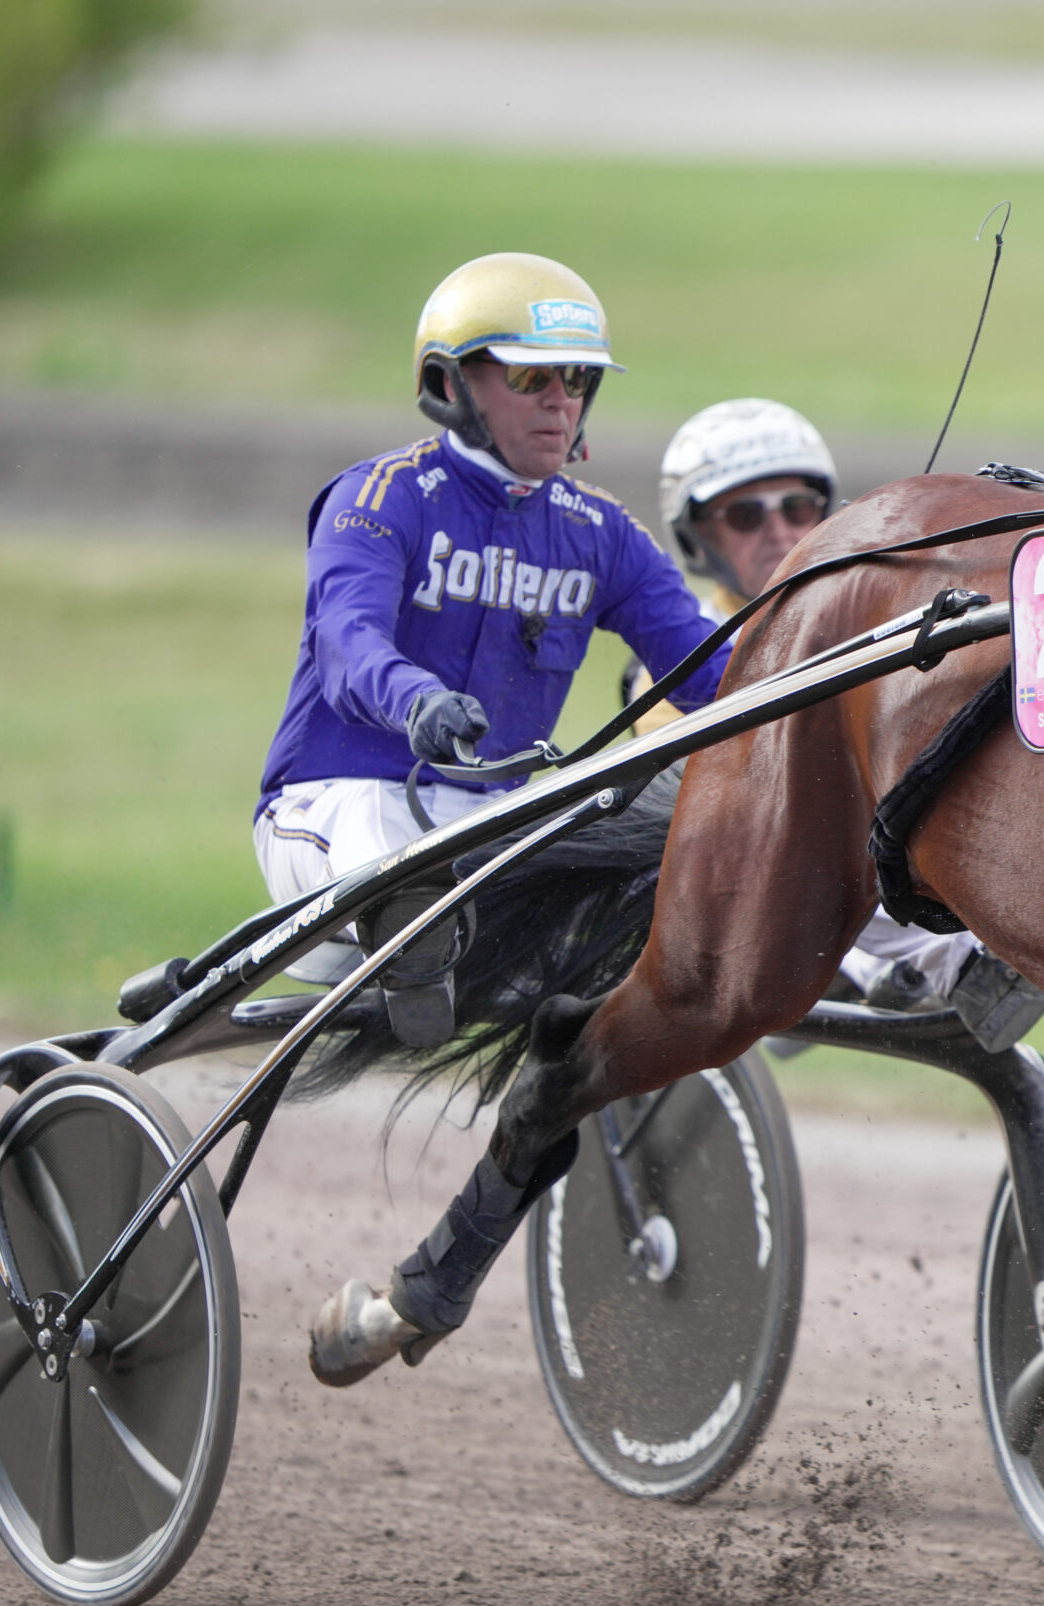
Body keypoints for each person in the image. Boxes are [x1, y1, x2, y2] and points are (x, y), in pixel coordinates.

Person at [254, 253, 730, 1052]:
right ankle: (412, 927)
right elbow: (347, 640)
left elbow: (715, 673)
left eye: (577, 381)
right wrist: (417, 701)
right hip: (334, 811)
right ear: (451, 385)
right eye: (530, 379)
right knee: (388, 843)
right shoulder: (377, 498)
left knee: (644, 823)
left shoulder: (601, 532)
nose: (559, 403)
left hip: (496, 831)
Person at [654, 399, 1044, 1046]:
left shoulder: (856, 628)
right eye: (746, 514)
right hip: (754, 895)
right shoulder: (680, 656)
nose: (780, 531)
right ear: (698, 537)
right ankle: (895, 966)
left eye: (800, 508)